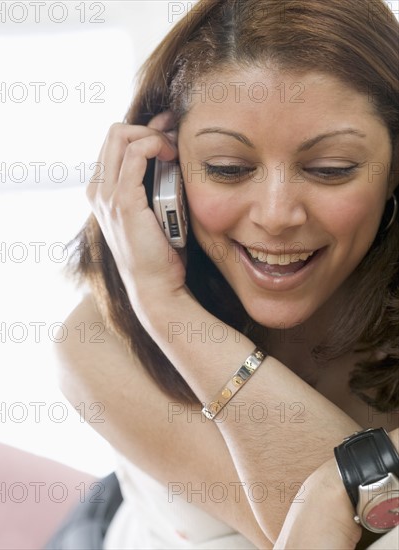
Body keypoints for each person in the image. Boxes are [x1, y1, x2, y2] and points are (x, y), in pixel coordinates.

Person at [48, 0, 399, 548]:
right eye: (228, 169)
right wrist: (162, 303)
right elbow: (355, 535)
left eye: (330, 170)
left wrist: (338, 484)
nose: (277, 215)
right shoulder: (94, 342)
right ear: (166, 172)